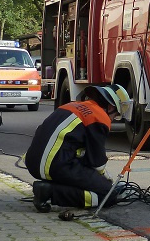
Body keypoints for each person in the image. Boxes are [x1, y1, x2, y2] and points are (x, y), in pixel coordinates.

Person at [25, 84, 131, 212]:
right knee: (108, 195)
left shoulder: (71, 106)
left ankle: (48, 188)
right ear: (111, 107)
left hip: (33, 163)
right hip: (56, 164)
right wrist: (106, 181)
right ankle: (50, 192)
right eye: (116, 115)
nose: (113, 119)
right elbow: (96, 162)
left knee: (89, 179)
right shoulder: (99, 117)